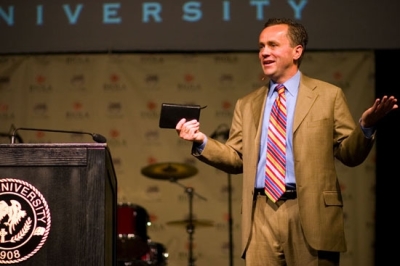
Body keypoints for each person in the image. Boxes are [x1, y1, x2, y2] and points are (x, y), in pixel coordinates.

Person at [175, 17, 398, 266]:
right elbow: (237, 159)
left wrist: (365, 127)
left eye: (273, 45)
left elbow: (350, 155)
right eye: (261, 46)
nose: (264, 52)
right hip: (260, 213)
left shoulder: (328, 96)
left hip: (310, 213)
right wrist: (201, 140)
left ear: (297, 51)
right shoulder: (247, 104)